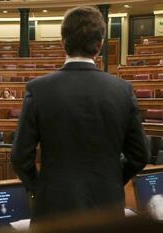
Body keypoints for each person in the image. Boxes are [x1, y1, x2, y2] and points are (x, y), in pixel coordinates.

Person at [11, 6, 149, 226]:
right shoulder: (123, 90)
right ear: (100, 43)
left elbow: (19, 157)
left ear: (63, 41)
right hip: (107, 209)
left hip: (53, 211)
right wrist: (112, 182)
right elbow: (140, 155)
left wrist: (42, 190)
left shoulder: (38, 89)